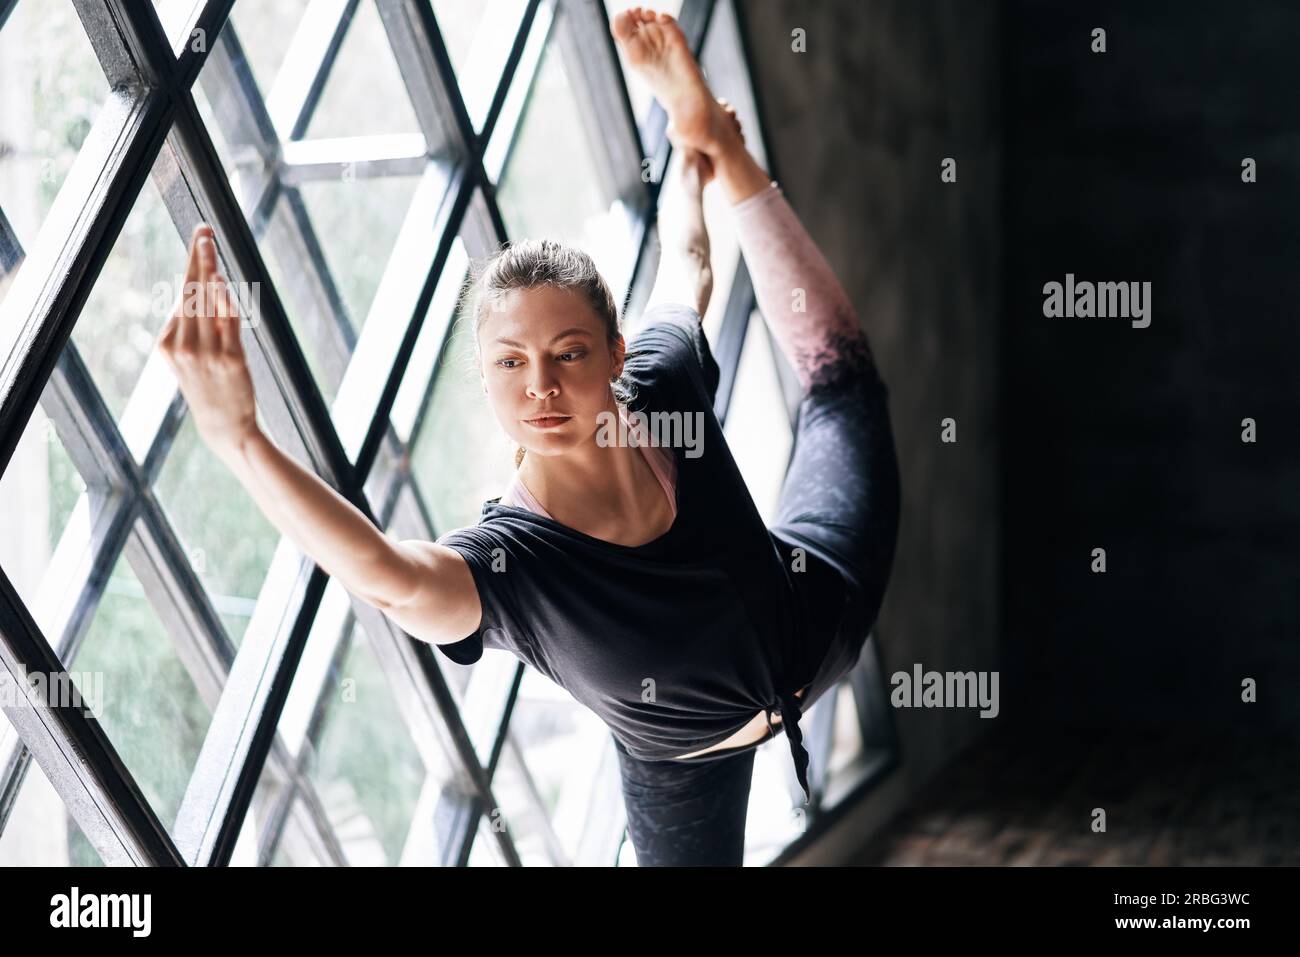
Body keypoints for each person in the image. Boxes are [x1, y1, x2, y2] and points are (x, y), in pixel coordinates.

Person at [157, 6, 900, 867]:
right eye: (509, 362)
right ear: (486, 378)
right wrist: (243, 439)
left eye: (568, 352)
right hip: (684, 771)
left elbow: (687, 267)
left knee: (844, 382)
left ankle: (727, 148)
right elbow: (388, 577)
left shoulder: (657, 381)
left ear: (614, 353)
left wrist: (703, 161)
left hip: (819, 611)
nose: (540, 384)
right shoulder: (513, 568)